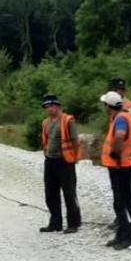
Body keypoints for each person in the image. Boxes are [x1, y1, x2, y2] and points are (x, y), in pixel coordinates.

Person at [100, 90, 131, 249]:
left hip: (121, 166)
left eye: (104, 105)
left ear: (108, 106)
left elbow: (120, 135)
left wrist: (115, 152)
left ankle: (128, 236)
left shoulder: (121, 118)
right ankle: (121, 234)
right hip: (122, 166)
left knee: (124, 202)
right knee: (120, 202)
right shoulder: (123, 116)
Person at [38, 94, 81, 234]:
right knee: (50, 193)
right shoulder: (45, 122)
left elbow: (75, 141)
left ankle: (73, 223)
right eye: (46, 107)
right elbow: (46, 140)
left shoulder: (68, 120)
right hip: (50, 160)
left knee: (69, 193)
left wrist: (75, 157)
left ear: (57, 105)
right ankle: (55, 222)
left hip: (65, 161)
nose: (48, 109)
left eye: (49, 106)